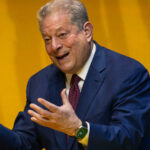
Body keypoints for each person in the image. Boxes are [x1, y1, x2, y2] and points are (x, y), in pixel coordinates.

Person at [0, 0, 150, 149]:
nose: (54, 46)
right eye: (47, 39)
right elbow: (23, 144)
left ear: (87, 32)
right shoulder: (39, 83)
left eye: (62, 34)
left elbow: (128, 139)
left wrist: (78, 129)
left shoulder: (128, 74)